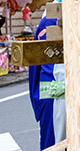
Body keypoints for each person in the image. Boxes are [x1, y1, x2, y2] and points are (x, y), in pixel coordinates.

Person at [28, 10, 66, 150]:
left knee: (54, 141)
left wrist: (36, 98)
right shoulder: (51, 20)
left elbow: (34, 68)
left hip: (52, 88)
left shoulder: (46, 20)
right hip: (57, 87)